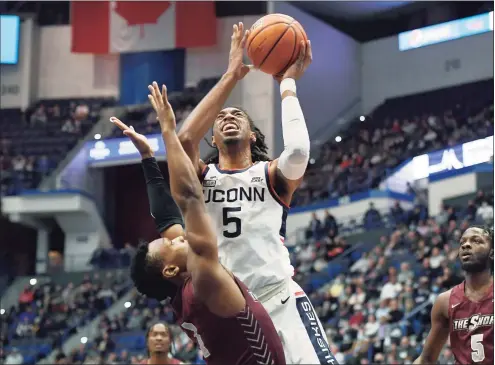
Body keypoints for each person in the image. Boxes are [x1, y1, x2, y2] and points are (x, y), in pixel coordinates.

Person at [175, 22, 336, 365]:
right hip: (234, 317)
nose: (229, 116)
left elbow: (298, 154)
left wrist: (287, 84)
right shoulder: (201, 179)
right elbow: (184, 140)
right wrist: (232, 76)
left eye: (238, 115)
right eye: (221, 118)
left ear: (252, 136)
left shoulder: (271, 176)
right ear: (213, 139)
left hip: (281, 300)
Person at [125, 83, 286, 365]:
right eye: (170, 243)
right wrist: (167, 130)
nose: (177, 236)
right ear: (172, 268)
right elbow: (188, 198)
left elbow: (166, 218)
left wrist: (148, 158)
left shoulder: (184, 292)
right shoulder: (203, 281)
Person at [414, 226, 493, 364]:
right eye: (462, 242)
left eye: (476, 241)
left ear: (492, 252)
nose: (466, 245)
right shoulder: (444, 301)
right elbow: (426, 359)